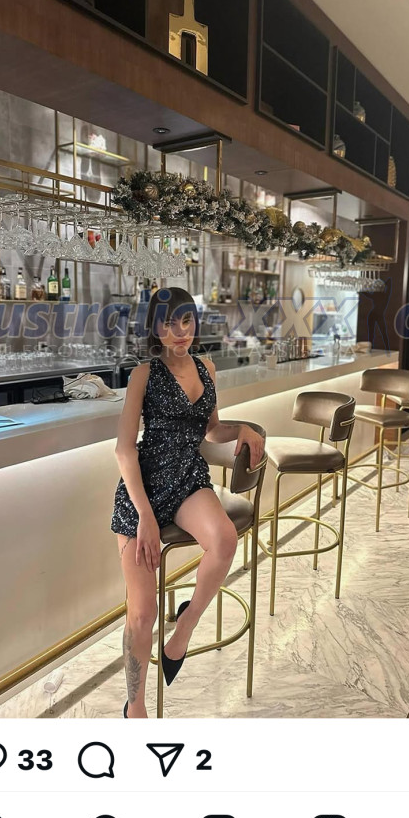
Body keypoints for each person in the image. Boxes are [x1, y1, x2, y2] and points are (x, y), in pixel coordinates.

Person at [111, 286, 264, 718]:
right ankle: (135, 707)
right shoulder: (144, 374)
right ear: (154, 329)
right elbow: (124, 450)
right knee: (143, 614)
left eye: (186, 321)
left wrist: (242, 430)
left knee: (225, 540)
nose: (179, 331)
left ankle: (184, 628)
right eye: (168, 323)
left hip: (188, 480)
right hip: (143, 487)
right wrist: (144, 516)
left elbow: (211, 430)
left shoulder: (206, 368)